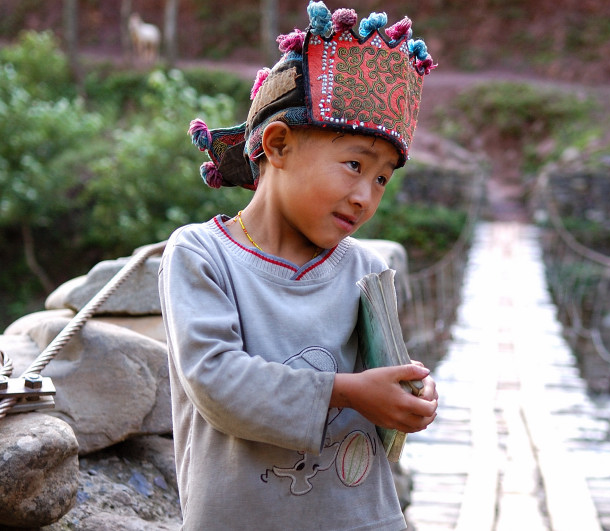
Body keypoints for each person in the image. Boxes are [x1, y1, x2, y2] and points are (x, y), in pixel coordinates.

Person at [158, 2, 438, 530]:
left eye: (382, 179)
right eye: (354, 165)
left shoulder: (367, 268)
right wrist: (349, 392)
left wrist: (409, 396)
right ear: (278, 144)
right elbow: (216, 383)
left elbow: (379, 378)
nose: (365, 197)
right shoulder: (201, 255)